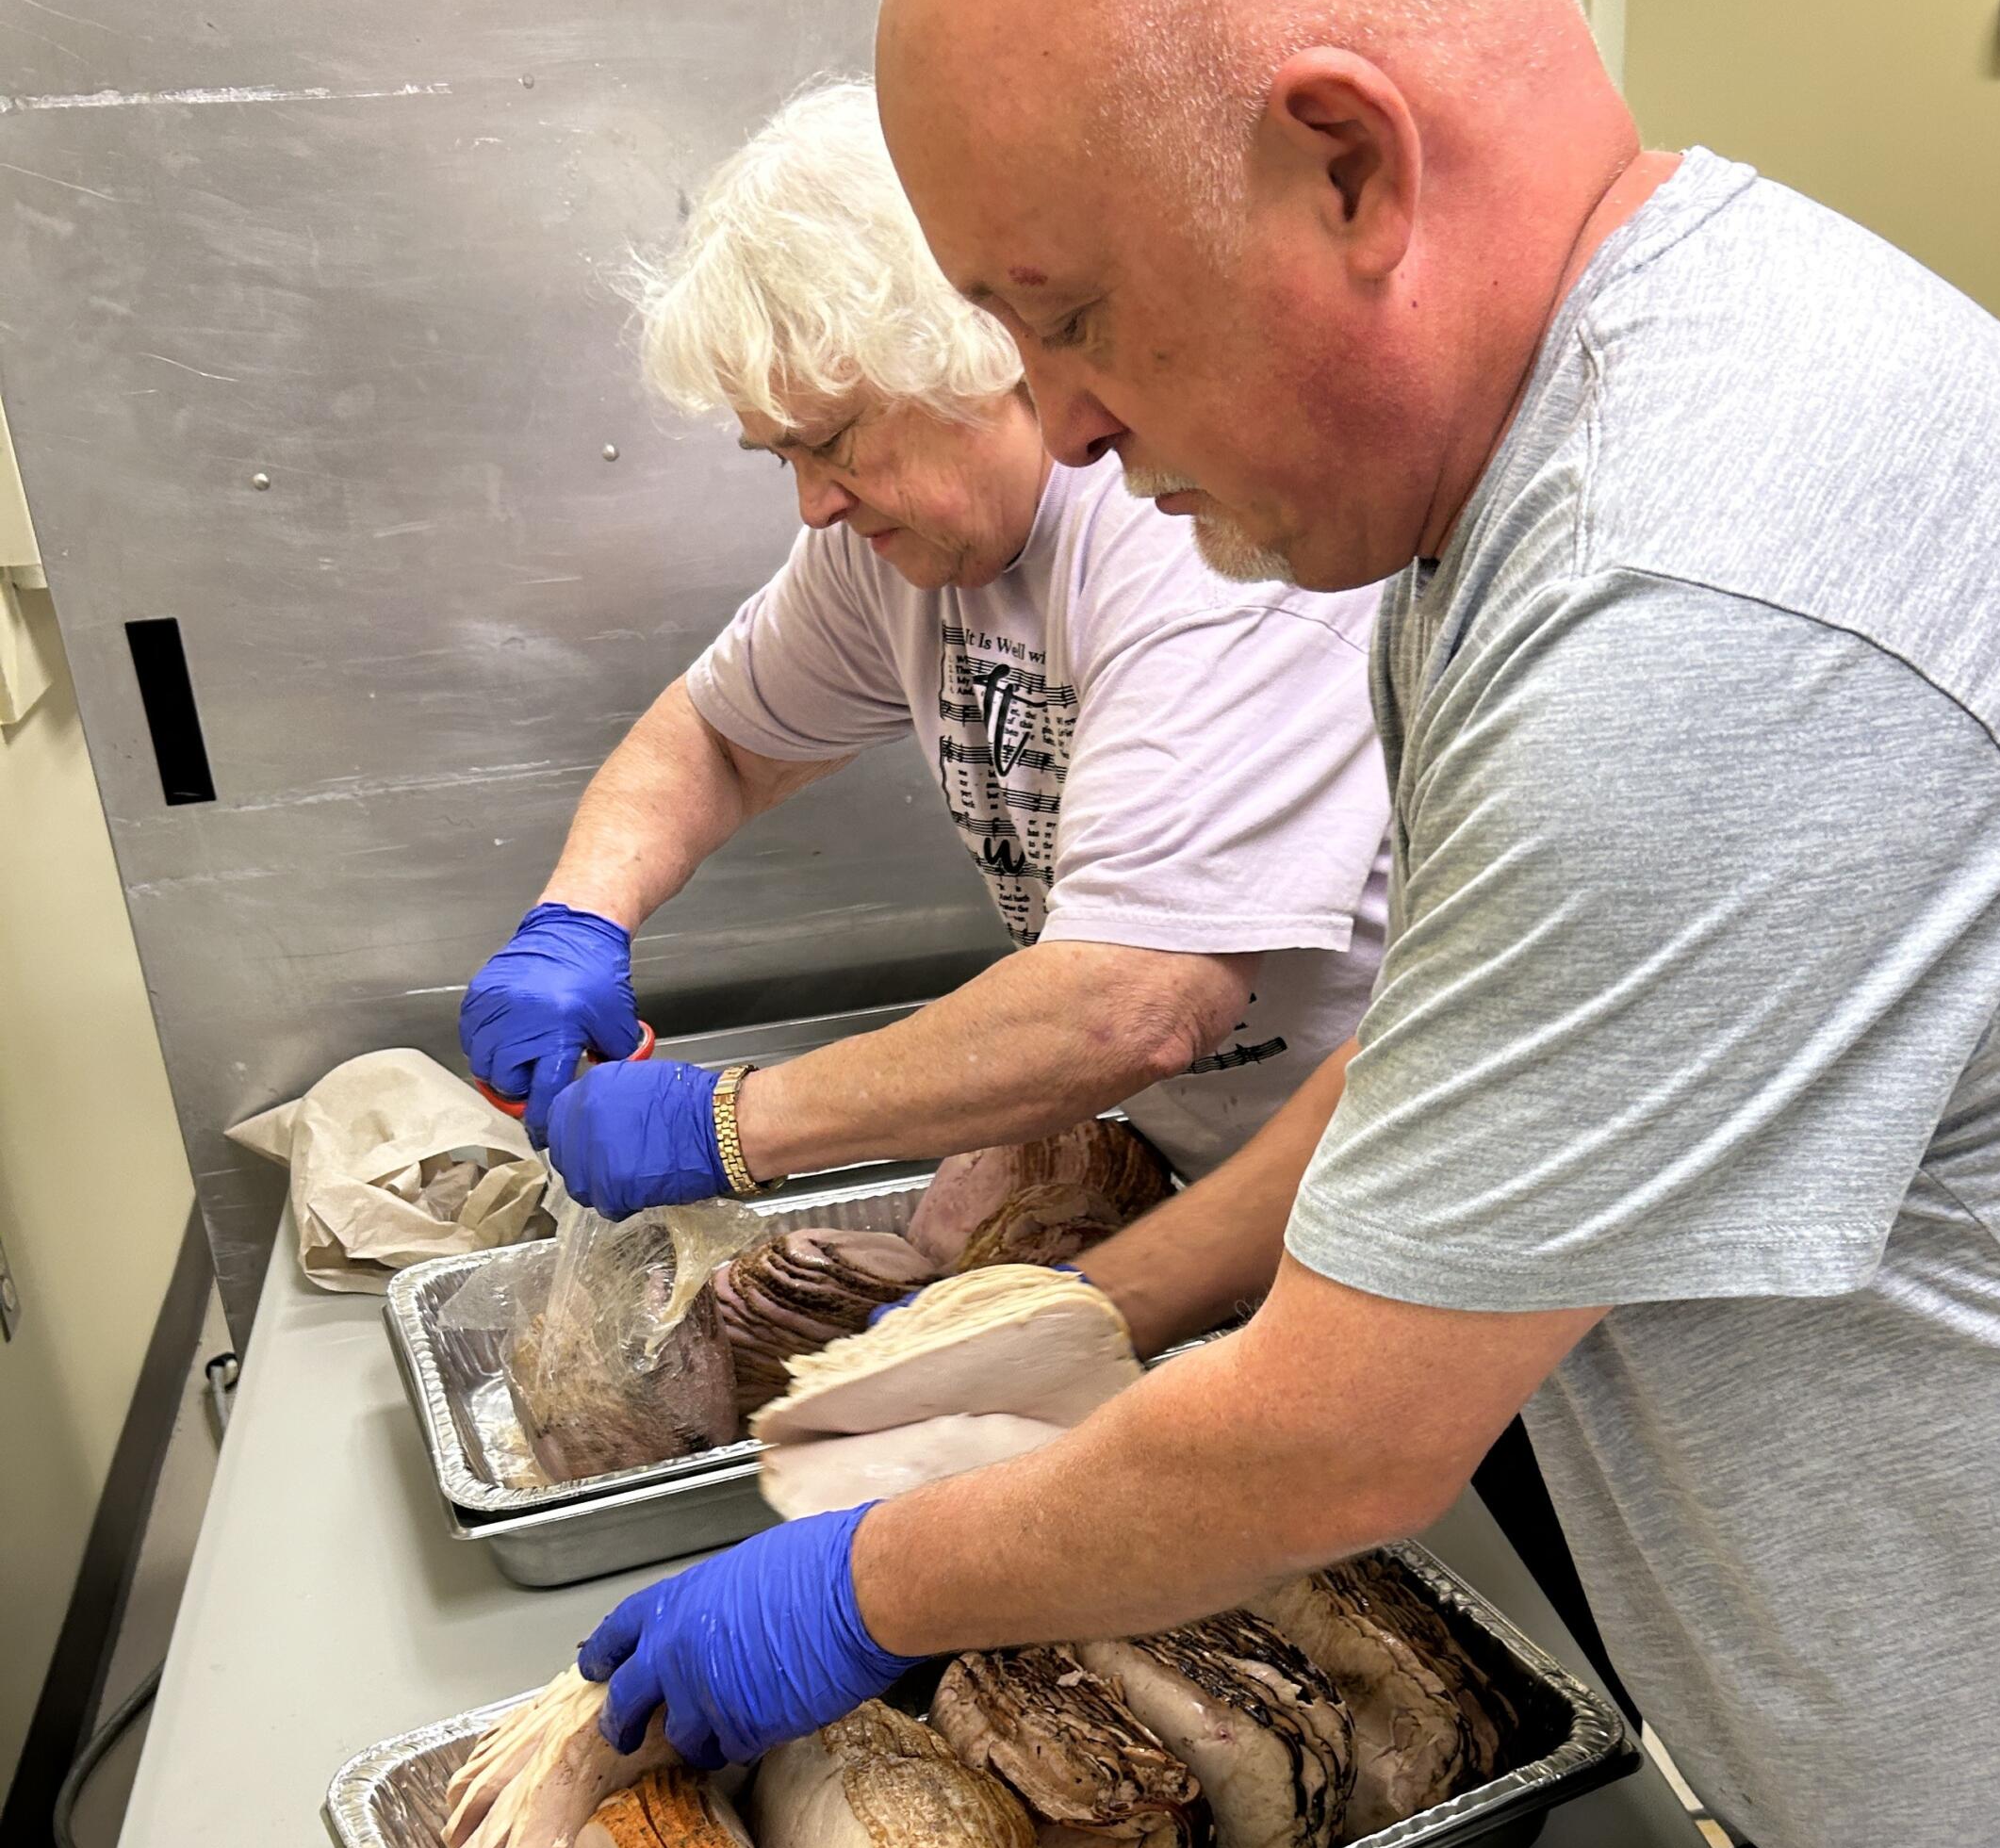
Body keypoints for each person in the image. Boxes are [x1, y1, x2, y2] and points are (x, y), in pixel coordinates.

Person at [574, 0, 2000, 1848]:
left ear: (1341, 162)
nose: (1058, 420)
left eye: (1069, 316)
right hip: (1952, 1826)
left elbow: (1342, 1431)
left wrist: (867, 1583)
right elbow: (1453, 1056)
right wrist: (1098, 1315)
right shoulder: (1524, 493)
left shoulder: (1693, 598)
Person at [460, 80, 1389, 1222]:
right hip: (1217, 1177)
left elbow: (1134, 1003)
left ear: (982, 352)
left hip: (1400, 1196)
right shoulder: (896, 543)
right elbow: (723, 740)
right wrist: (578, 919)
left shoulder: (1200, 543)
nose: (812, 505)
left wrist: (733, 1125)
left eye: (834, 440)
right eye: (780, 456)